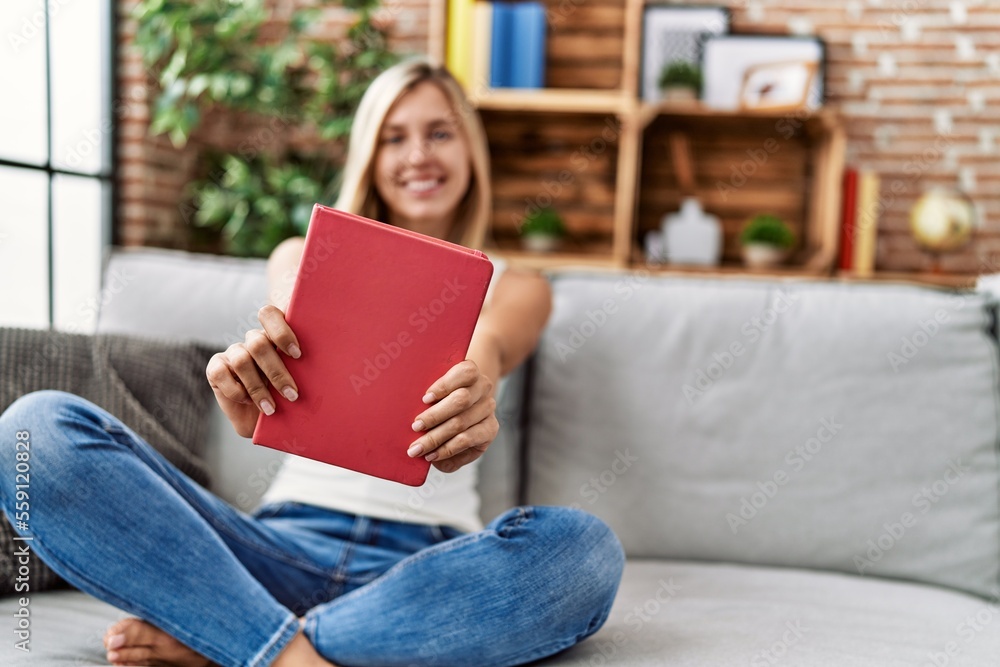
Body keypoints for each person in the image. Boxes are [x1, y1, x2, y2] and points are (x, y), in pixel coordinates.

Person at [0, 56, 624, 667]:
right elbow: (284, 333)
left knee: (584, 551)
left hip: (423, 579)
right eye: (393, 138)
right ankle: (292, 652)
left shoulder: (520, 285)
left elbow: (486, 341)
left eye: (440, 133)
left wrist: (474, 387)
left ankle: (244, 639)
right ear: (369, 157)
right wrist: (254, 381)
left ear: (472, 151)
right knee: (33, 432)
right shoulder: (300, 255)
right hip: (271, 552)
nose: (418, 156)